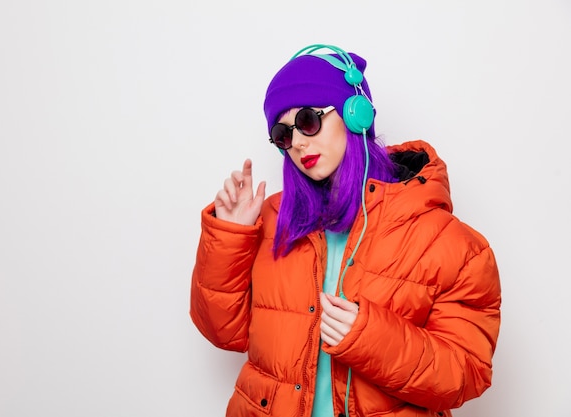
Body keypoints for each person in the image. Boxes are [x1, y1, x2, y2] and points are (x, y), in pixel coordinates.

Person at [189, 43, 501, 417]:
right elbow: (224, 333)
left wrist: (370, 337)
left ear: (356, 115)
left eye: (307, 120)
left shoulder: (451, 244)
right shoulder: (273, 220)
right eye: (283, 134)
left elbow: (467, 372)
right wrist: (230, 236)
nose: (299, 143)